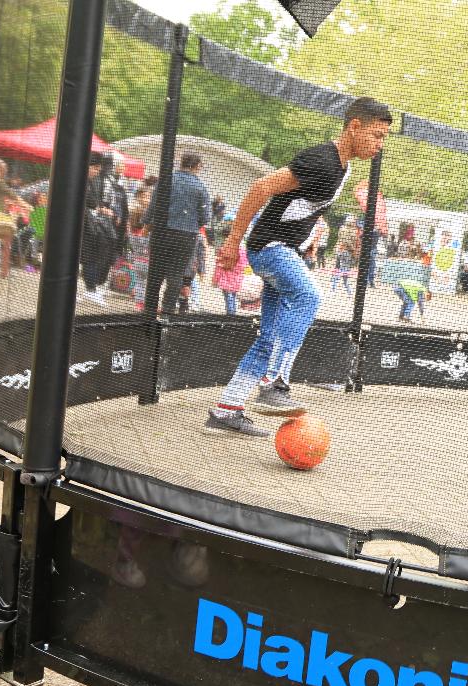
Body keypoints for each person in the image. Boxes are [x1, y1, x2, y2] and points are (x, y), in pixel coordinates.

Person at [204, 97, 393, 437]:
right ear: (354, 127)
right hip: (269, 248)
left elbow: (299, 210)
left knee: (268, 339)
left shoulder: (343, 167)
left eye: (383, 138)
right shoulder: (321, 160)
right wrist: (232, 242)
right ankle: (274, 383)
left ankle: (226, 410)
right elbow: (262, 187)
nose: (380, 145)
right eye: (376, 135)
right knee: (308, 297)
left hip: (282, 249)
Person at [147, 152, 211, 315]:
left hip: (162, 231)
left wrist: (146, 222)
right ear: (197, 166)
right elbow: (205, 217)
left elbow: (153, 205)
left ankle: (149, 310)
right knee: (176, 274)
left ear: (181, 163)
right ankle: (167, 311)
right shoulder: (200, 187)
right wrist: (193, 224)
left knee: (156, 272)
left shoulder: (166, 180)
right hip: (186, 236)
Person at [80, 152, 128, 305]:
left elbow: (94, 200)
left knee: (92, 256)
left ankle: (91, 288)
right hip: (87, 225)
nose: (97, 171)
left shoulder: (94, 180)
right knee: (89, 256)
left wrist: (102, 208)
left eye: (98, 168)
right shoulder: (86, 180)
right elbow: (91, 200)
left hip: (92, 224)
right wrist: (102, 209)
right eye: (95, 168)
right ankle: (91, 289)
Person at [332, 215, 360, 295]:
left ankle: (343, 289)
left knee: (342, 269)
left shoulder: (342, 228)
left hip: (340, 250)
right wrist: (354, 251)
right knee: (344, 270)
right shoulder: (352, 231)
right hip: (346, 252)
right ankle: (339, 288)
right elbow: (348, 242)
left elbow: (341, 239)